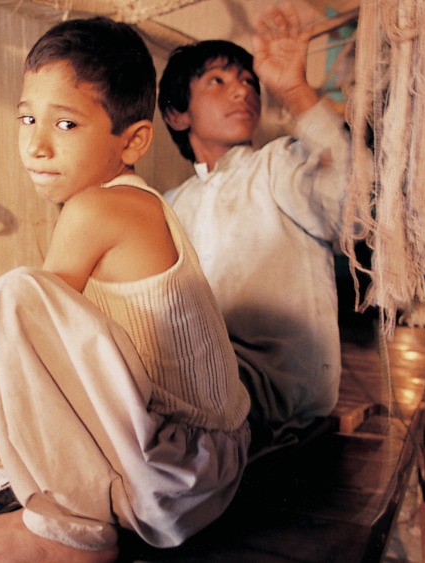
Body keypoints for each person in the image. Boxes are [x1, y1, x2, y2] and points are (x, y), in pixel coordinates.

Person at [0, 16, 251, 563]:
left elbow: (33, 332)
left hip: (176, 477)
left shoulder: (99, 207)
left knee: (20, 289)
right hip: (206, 470)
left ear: (131, 140)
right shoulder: (132, 200)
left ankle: (68, 534)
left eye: (65, 126)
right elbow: (52, 322)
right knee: (20, 291)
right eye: (27, 117)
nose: (36, 144)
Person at [157, 4, 352, 456]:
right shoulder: (172, 205)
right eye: (218, 82)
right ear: (176, 114)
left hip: (279, 392)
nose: (242, 91)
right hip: (209, 383)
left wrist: (294, 88)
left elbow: (348, 201)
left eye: (249, 82)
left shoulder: (279, 164)